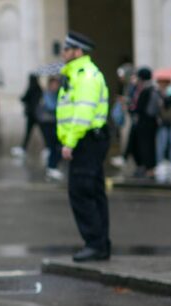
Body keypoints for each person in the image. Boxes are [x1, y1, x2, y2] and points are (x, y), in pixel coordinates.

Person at [58, 31, 112, 263]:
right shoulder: (76, 75)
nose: (63, 53)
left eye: (67, 49)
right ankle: (100, 244)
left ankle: (95, 244)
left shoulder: (85, 76)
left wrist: (70, 142)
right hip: (89, 139)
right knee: (93, 192)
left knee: (81, 193)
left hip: (86, 140)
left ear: (77, 52)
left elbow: (83, 113)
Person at [126, 67, 158, 177]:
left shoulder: (145, 91)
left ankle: (148, 169)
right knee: (146, 146)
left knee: (145, 147)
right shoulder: (152, 89)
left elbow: (139, 108)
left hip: (145, 123)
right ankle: (147, 168)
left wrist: (129, 107)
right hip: (150, 123)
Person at [38, 77, 63, 181]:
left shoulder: (57, 94)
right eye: (54, 84)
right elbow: (51, 107)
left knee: (55, 146)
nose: (55, 86)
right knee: (53, 145)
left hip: (53, 122)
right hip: (47, 123)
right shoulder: (47, 94)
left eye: (57, 84)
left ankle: (52, 167)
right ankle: (51, 167)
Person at [13, 74, 43, 159]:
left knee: (29, 132)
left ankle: (24, 148)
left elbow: (24, 98)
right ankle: (47, 148)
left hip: (32, 114)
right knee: (39, 132)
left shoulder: (31, 88)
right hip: (36, 113)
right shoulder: (38, 88)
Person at [155, 78, 171, 165]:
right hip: (163, 122)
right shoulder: (158, 93)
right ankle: (160, 163)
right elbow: (159, 106)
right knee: (162, 144)